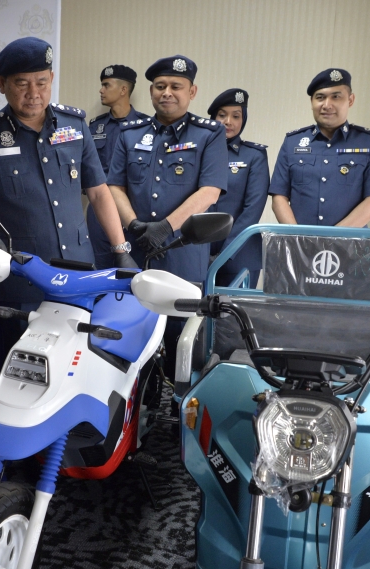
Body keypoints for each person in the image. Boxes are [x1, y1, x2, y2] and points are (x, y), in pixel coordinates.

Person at [0, 37, 135, 348]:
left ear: (51, 78)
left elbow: (98, 192)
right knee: (24, 369)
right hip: (23, 280)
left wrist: (121, 248)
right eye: (22, 84)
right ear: (1, 83)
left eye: (41, 82)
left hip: (80, 274)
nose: (33, 94)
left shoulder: (75, 124)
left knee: (80, 360)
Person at [107, 55, 227, 380]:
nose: (167, 92)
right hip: (135, 251)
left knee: (180, 346)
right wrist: (133, 224)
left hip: (182, 254)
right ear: (150, 91)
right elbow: (114, 186)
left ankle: (173, 415)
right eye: (160, 86)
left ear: (192, 91)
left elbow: (210, 191)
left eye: (176, 86)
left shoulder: (209, 134)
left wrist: (166, 227)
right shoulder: (130, 133)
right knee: (131, 336)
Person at [269, 68, 370, 228]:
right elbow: (279, 197)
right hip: (299, 245)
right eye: (320, 98)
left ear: (350, 100)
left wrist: (333, 238)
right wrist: (297, 238)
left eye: (336, 97)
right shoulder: (292, 142)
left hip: (349, 246)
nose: (327, 105)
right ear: (312, 102)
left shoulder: (369, 142)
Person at [86, 65, 151, 268]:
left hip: (133, 210)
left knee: (134, 268)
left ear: (123, 90)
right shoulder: (96, 126)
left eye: (106, 85)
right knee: (101, 266)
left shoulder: (146, 127)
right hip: (99, 209)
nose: (101, 90)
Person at [206, 87, 269, 288]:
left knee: (233, 317)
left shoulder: (254, 156)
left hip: (240, 253)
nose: (228, 122)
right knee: (193, 316)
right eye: (222, 115)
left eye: (236, 116)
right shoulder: (199, 153)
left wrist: (225, 252)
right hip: (199, 251)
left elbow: (253, 209)